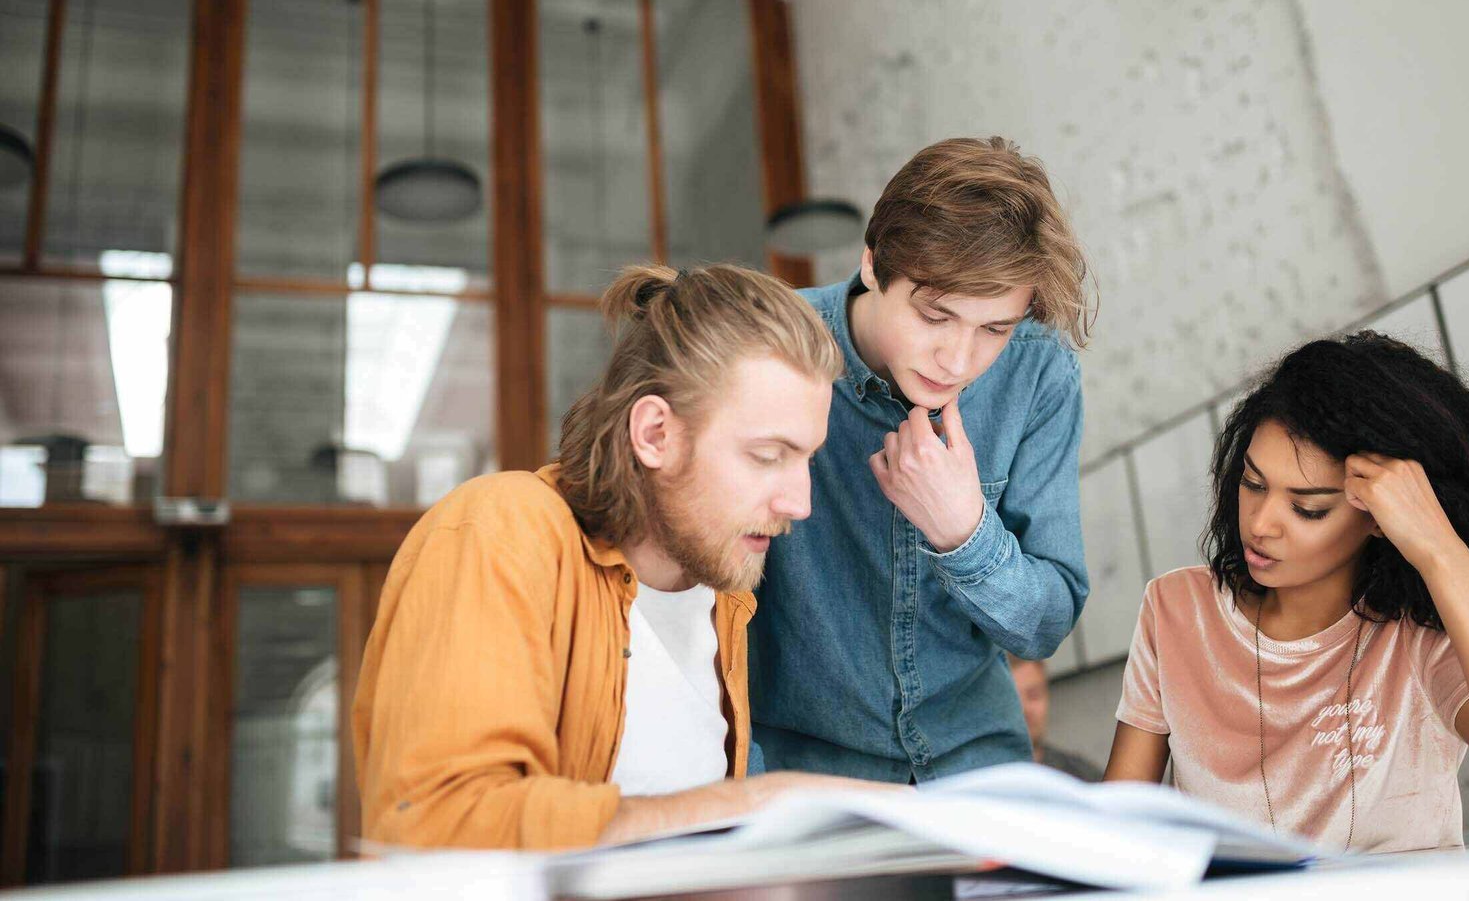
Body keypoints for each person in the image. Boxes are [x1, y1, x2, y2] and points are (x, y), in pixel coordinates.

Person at [353, 263, 874, 850]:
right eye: (765, 456)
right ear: (655, 433)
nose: (799, 502)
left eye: (806, 459)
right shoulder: (499, 529)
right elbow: (437, 823)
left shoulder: (723, 595)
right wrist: (749, 803)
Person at [1104, 332, 1469, 851]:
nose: (1261, 523)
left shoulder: (1421, 639)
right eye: (1252, 483)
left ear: (1381, 516)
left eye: (1308, 508)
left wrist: (1440, 550)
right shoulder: (1176, 610)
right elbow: (1111, 836)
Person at [750, 136, 1096, 781]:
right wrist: (747, 789)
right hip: (806, 775)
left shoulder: (1041, 374)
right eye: (935, 315)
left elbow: (1045, 626)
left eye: (995, 329)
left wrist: (964, 532)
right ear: (874, 265)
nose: (958, 361)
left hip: (981, 766)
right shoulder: (768, 348)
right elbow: (703, 601)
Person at [1008, 654, 1100, 780]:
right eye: (1013, 699)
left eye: (1033, 695)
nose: (1025, 709)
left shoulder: (1082, 778)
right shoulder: (980, 785)